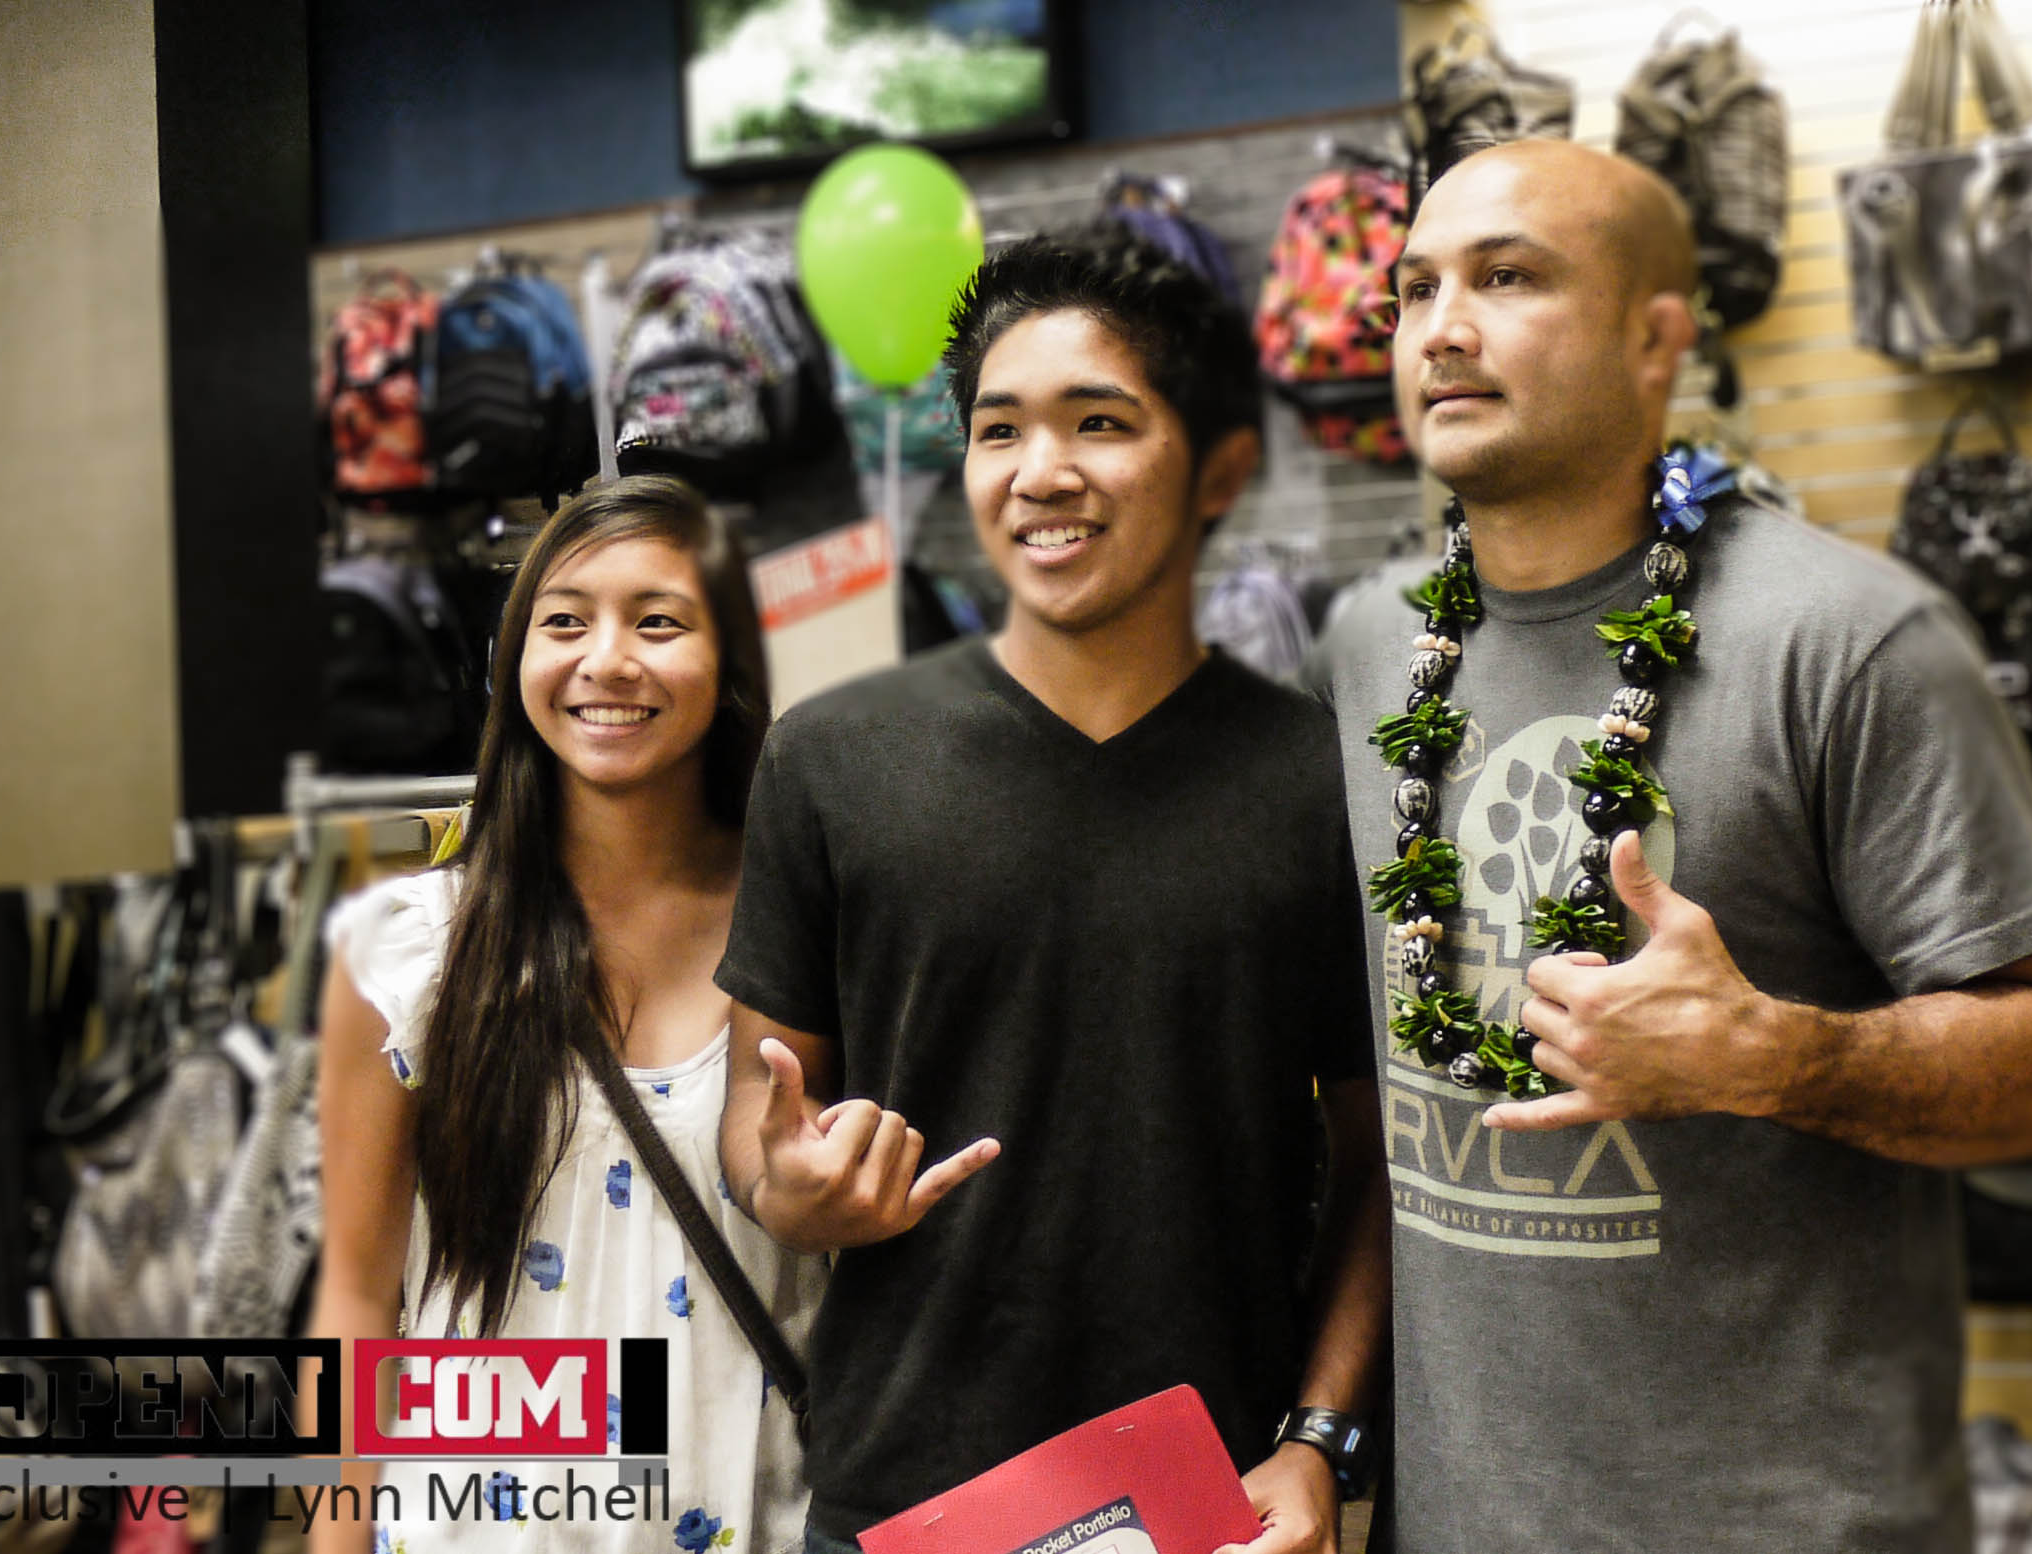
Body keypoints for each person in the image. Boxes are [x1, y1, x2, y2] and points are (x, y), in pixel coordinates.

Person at [1305, 137, 2032, 1553]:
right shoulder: (1370, 646)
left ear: (1654, 339)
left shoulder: (1849, 639)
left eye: (1508, 278)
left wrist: (1776, 1057)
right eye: (1416, 287)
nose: (1442, 327)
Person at [715, 230, 1390, 1554]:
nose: (1040, 471)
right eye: (998, 429)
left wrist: (1318, 1440)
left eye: (1099, 422)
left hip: (1215, 1506)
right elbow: (759, 1107)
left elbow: (1376, 1163)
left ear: (1208, 466)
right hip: (904, 1503)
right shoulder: (830, 756)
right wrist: (785, 1185)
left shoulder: (1314, 778)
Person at [309, 476, 825, 1554]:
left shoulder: (815, 931)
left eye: (658, 622)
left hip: (760, 1515)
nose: (606, 660)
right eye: (564, 621)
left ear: (732, 658)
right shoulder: (407, 953)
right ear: (515, 660)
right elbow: (357, 1298)